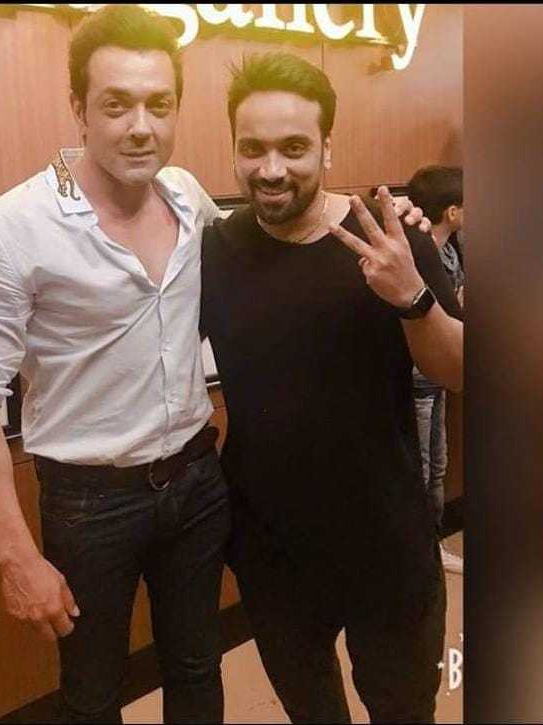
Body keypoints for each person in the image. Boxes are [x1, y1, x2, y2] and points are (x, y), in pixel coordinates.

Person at [0, 6, 231, 723]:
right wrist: (16, 556)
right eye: (116, 104)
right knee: (92, 693)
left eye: (159, 104)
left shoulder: (188, 197)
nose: (141, 126)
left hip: (196, 478)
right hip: (90, 502)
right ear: (79, 109)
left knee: (198, 665)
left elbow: (267, 258)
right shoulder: (10, 229)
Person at [201, 52, 463, 724]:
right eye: (252, 148)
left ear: (326, 147)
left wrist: (413, 298)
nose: (271, 168)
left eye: (294, 147)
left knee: (404, 712)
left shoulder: (390, 237)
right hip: (272, 552)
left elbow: (462, 371)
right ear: (234, 149)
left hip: (386, 543)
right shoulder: (215, 251)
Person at [407, 166, 465, 576]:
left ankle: (432, 544)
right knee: (420, 468)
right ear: (452, 212)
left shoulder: (449, 250)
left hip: (441, 375)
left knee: (438, 466)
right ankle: (420, 552)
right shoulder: (416, 252)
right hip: (416, 380)